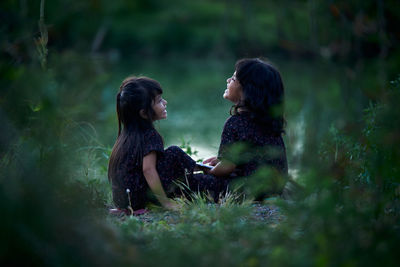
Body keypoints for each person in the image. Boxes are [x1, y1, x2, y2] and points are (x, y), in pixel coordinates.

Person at [190, 58, 288, 200]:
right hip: (272, 190)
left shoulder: (236, 123)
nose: (228, 80)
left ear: (247, 89)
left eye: (234, 78)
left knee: (189, 181)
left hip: (245, 192)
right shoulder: (270, 123)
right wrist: (220, 161)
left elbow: (226, 168)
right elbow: (254, 161)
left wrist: (208, 170)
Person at [108, 76, 197, 212]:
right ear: (144, 113)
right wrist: (165, 203)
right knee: (174, 152)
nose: (165, 102)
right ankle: (200, 170)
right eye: (160, 101)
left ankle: (199, 169)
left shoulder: (127, 136)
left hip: (125, 200)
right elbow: (148, 170)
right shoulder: (149, 135)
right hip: (139, 199)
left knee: (168, 156)